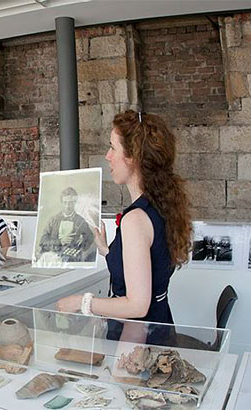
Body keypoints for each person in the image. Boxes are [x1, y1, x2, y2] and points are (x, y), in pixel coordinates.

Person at [56, 110, 192, 344]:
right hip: (157, 329)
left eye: (113, 148)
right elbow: (146, 269)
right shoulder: (160, 206)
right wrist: (107, 250)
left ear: (132, 157)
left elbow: (137, 305)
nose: (108, 156)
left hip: (138, 340)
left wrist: (80, 302)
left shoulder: (136, 219)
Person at [37, 186, 94, 262]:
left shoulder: (81, 221)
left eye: (70, 203)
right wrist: (60, 241)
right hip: (53, 257)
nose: (67, 206)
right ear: (61, 203)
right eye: (65, 203)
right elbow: (43, 241)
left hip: (72, 258)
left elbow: (90, 237)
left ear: (75, 202)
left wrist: (83, 240)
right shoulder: (53, 220)